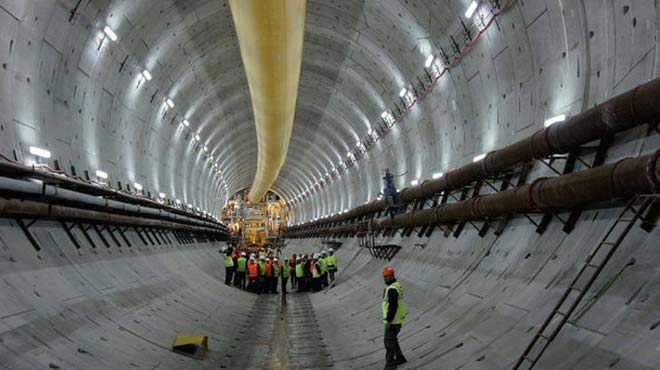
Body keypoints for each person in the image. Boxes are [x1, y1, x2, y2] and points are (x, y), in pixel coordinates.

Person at [382, 266, 406, 370]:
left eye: (386, 277)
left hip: (393, 321)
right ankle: (400, 357)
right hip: (397, 320)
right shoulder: (397, 286)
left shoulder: (392, 289)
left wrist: (388, 320)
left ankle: (390, 364)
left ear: (391, 276)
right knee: (393, 340)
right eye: (384, 277)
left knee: (388, 342)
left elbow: (393, 306)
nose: (385, 279)